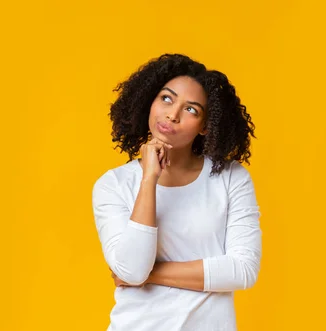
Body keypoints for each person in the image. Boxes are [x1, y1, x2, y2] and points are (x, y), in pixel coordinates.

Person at [91, 53, 262, 331]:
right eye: (166, 99)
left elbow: (242, 271)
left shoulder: (230, 179)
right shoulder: (114, 185)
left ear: (206, 126)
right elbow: (133, 269)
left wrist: (149, 275)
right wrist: (149, 179)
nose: (173, 114)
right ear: (150, 100)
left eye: (191, 109)